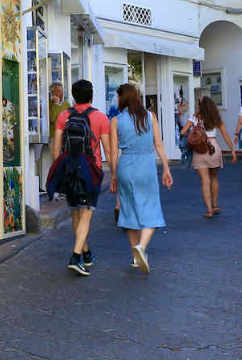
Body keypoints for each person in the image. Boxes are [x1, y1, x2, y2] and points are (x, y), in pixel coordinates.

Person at [49, 79, 112, 276]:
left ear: (74, 96)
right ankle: (76, 256)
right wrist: (114, 173)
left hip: (70, 169)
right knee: (86, 213)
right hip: (90, 170)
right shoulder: (101, 118)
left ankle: (86, 253)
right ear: (91, 95)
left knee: (76, 213)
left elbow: (56, 147)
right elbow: (108, 151)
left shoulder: (63, 116)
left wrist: (60, 168)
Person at [109, 83, 173, 274]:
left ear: (123, 98)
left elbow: (113, 152)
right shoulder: (150, 116)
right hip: (146, 164)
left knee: (128, 210)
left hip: (126, 165)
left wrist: (113, 174)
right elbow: (159, 144)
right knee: (151, 208)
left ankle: (135, 256)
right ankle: (141, 248)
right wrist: (166, 169)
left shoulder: (116, 120)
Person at [182, 96, 237, 217]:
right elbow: (225, 134)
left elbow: (183, 132)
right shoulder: (216, 118)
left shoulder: (195, 117)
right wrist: (232, 150)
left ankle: (209, 210)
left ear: (200, 106)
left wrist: (193, 131)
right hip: (214, 148)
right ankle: (215, 205)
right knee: (214, 178)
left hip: (200, 149)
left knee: (205, 181)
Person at [175, 98, 192, 168]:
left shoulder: (186, 115)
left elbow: (187, 125)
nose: (178, 109)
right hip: (182, 131)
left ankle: (184, 158)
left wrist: (185, 131)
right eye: (178, 108)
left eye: (180, 108)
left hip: (187, 131)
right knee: (182, 145)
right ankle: (185, 158)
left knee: (183, 144)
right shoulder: (178, 116)